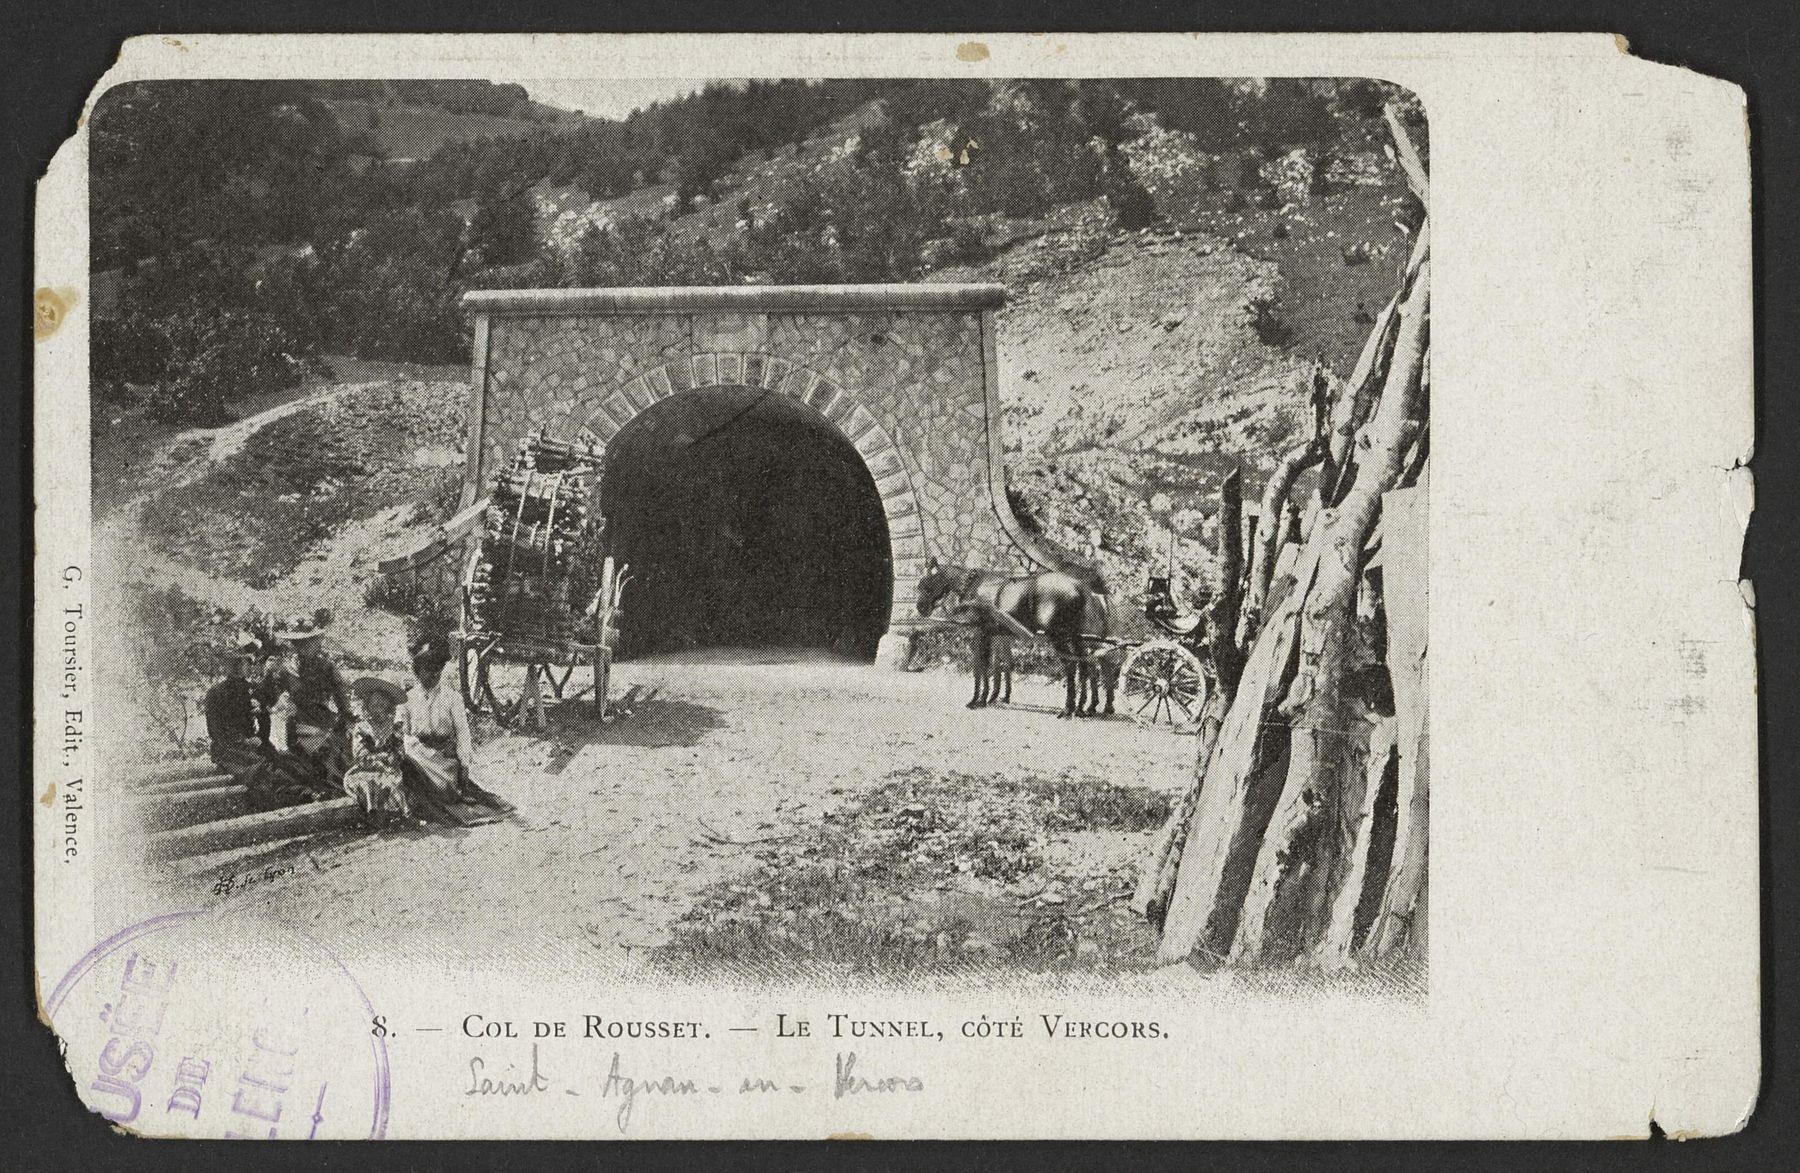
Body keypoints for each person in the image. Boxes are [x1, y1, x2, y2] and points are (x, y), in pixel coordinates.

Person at [201, 634, 322, 811]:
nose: (238, 666)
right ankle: (305, 796)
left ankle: (312, 791)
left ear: (248, 664)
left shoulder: (251, 689)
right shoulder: (215, 694)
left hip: (255, 746)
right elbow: (216, 731)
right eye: (232, 663)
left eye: (242, 662)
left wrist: (260, 736)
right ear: (225, 666)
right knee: (263, 772)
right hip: (229, 750)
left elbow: (264, 712)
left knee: (287, 763)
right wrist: (244, 741)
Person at [270, 613, 355, 791]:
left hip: (326, 722)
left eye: (309, 641)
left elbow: (342, 699)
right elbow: (269, 696)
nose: (304, 647)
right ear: (293, 645)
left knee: (345, 755)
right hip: (299, 726)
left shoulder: (327, 667)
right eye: (298, 643)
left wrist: (347, 720)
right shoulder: (286, 670)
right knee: (319, 759)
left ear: (317, 642)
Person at [343, 677, 411, 824]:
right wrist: (380, 758)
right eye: (374, 703)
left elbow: (400, 751)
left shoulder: (394, 727)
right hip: (366, 769)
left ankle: (397, 815)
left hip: (389, 769)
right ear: (367, 705)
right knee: (368, 782)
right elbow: (360, 754)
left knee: (392, 780)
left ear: (389, 705)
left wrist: (394, 757)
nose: (378, 707)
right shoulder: (361, 727)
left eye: (382, 703)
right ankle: (372, 814)